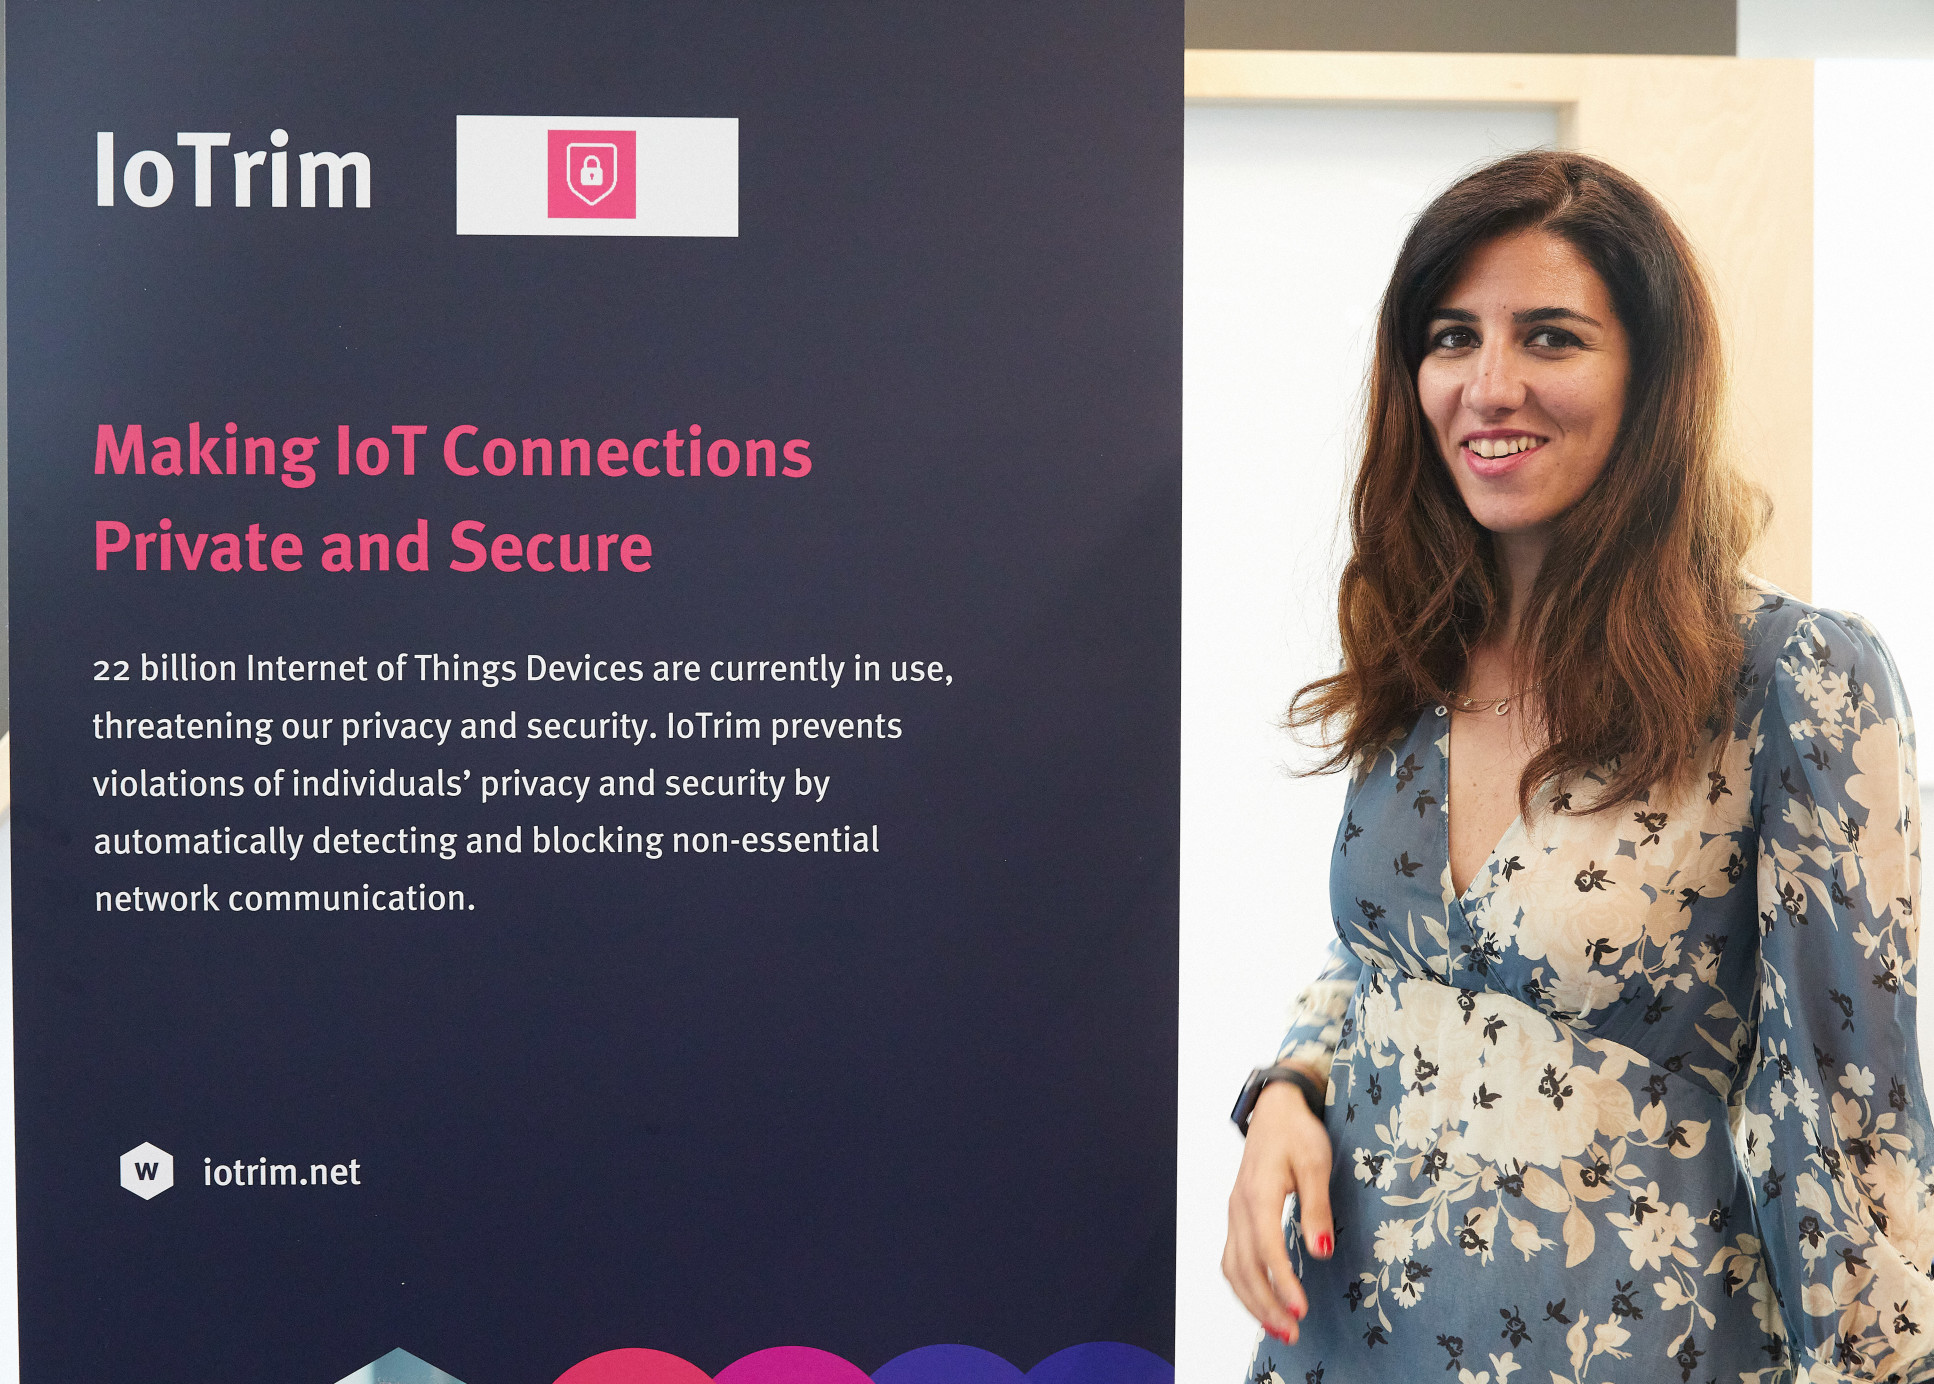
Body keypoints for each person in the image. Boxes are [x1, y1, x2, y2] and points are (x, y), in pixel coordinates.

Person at [1222, 149, 1930, 1383]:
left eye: (1548, 337)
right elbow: (1397, 963)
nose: (1488, 385)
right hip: (1339, 1353)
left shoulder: (1788, 676)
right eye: (1451, 338)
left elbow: (1847, 1123)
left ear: (1649, 375)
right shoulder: (1414, 645)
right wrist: (1285, 1084)